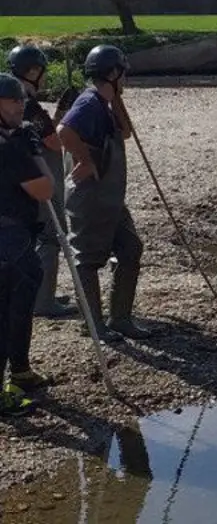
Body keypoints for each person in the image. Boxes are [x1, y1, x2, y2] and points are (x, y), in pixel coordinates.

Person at [57, 45, 150, 342]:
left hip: (110, 199)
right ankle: (93, 324)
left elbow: (125, 132)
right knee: (87, 260)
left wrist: (117, 98)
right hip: (90, 198)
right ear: (112, 73)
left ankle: (120, 318)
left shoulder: (105, 103)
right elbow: (64, 131)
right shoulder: (89, 103)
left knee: (130, 249)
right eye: (122, 74)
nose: (126, 79)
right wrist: (85, 160)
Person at [8, 45, 77, 319]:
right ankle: (44, 301)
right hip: (40, 181)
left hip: (21, 186)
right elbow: (54, 141)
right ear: (32, 72)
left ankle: (38, 291)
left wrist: (59, 112)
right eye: (42, 71)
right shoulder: (30, 107)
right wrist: (67, 113)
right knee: (49, 238)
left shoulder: (12, 102)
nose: (46, 77)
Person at [0, 73, 55, 415]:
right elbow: (45, 189)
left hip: (14, 236)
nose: (20, 106)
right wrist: (34, 154)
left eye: (21, 99)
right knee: (7, 313)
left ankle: (20, 370)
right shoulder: (11, 147)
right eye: (12, 100)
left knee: (17, 309)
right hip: (10, 240)